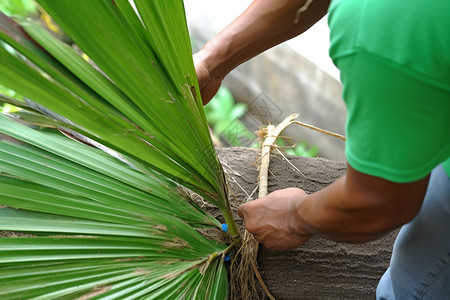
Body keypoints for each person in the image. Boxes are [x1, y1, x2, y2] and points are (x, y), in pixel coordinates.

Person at [194, 0, 450, 298]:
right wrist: (211, 62)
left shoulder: (381, 25)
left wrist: (294, 216)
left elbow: (380, 204)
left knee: (412, 288)